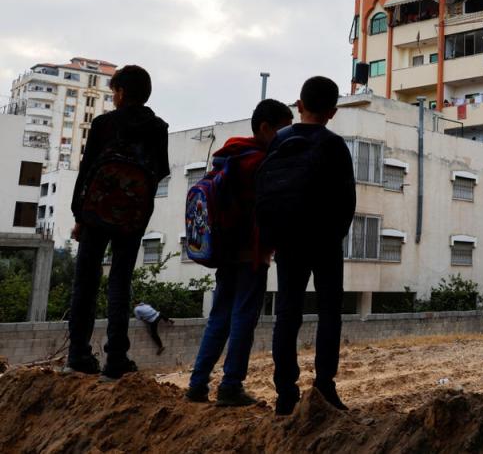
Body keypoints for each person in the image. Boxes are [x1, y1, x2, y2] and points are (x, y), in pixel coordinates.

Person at [185, 99, 293, 407]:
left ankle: (197, 383)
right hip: (251, 254)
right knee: (244, 318)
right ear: (265, 128)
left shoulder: (230, 154)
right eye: (282, 131)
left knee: (218, 318)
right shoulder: (259, 161)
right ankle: (231, 385)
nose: (285, 138)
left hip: (225, 253)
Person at [65, 65, 170, 380]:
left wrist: (79, 215)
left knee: (85, 281)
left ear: (121, 92)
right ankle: (116, 360)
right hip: (133, 219)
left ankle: (78, 356)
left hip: (95, 215)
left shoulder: (103, 124)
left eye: (113, 92)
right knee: (119, 283)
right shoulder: (159, 127)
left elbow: (86, 173)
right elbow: (159, 171)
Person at [265, 77, 356, 415]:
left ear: (298, 105)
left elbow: (267, 190)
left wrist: (273, 235)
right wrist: (335, 235)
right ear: (333, 112)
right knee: (330, 311)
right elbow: (347, 199)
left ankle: (285, 393)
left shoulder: (278, 141)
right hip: (325, 239)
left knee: (287, 313)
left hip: (287, 238)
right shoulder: (335, 145)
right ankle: (324, 387)